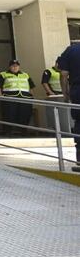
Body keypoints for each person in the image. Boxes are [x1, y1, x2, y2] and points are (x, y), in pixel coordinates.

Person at [0, 59, 35, 135]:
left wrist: (32, 96)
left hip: (24, 98)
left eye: (16, 66)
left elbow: (31, 86)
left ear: (19, 67)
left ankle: (23, 131)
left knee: (24, 114)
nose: (15, 67)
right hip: (10, 98)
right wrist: (1, 97)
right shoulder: (4, 74)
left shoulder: (25, 75)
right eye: (13, 66)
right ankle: (8, 131)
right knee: (9, 115)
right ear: (9, 67)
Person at [57, 43, 80, 172]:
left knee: (79, 123)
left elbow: (64, 74)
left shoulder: (71, 50)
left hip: (78, 91)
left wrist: (65, 94)